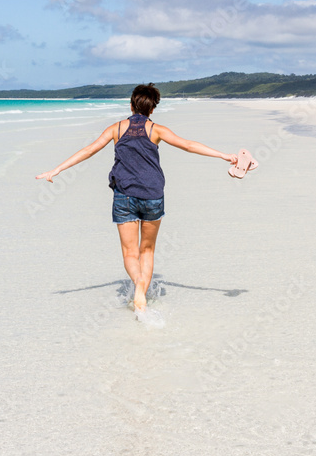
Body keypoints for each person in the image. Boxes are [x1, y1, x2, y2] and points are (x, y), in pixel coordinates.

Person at [35, 83, 238, 313]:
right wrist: (224, 155)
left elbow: (89, 150)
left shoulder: (116, 128)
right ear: (152, 109)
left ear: (131, 105)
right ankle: (142, 293)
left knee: (130, 253)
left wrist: (57, 170)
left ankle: (139, 287)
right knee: (147, 251)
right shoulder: (156, 130)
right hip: (152, 196)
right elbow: (188, 145)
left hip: (124, 196)